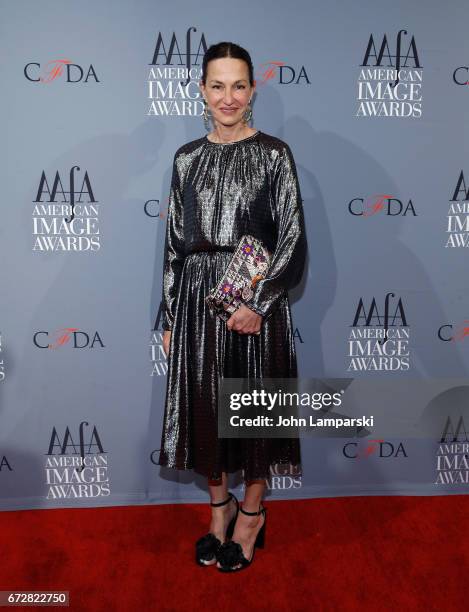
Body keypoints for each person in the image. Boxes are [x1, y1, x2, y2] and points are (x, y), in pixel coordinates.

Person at [158, 41, 307, 572]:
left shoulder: (274, 154)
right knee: (206, 413)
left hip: (254, 308)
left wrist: (261, 303)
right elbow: (176, 245)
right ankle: (218, 510)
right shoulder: (186, 159)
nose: (228, 97)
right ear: (202, 90)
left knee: (253, 414)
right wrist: (171, 316)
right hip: (199, 303)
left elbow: (291, 238)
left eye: (238, 85)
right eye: (217, 85)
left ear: (252, 90)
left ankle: (251, 516)